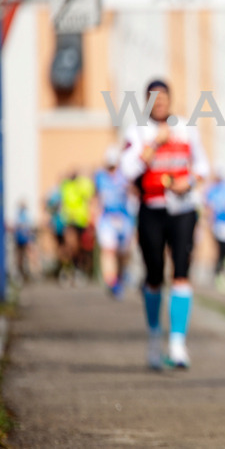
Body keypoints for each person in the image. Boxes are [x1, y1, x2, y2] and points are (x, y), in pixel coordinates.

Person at [121, 79, 210, 370]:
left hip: (182, 209)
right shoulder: (137, 131)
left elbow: (203, 166)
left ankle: (177, 344)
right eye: (153, 99)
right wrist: (154, 144)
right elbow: (127, 169)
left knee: (181, 272)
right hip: (151, 209)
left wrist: (190, 181)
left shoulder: (186, 127)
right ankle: (154, 338)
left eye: (163, 99)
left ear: (170, 100)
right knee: (154, 275)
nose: (159, 104)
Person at [94, 146, 136, 299]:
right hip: (107, 218)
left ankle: (121, 277)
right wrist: (94, 215)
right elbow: (96, 197)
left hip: (124, 218)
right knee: (108, 250)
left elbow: (133, 195)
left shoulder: (125, 176)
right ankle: (111, 282)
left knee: (123, 253)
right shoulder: (99, 177)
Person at [59, 169, 95, 281]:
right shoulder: (66, 186)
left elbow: (90, 193)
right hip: (70, 221)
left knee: (81, 247)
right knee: (70, 245)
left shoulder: (82, 185)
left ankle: (79, 268)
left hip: (81, 221)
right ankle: (67, 269)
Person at [11, 200, 37, 283]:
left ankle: (26, 274)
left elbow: (28, 229)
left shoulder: (23, 216)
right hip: (21, 240)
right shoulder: (20, 216)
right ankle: (22, 274)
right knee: (20, 258)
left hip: (24, 240)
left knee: (25, 257)